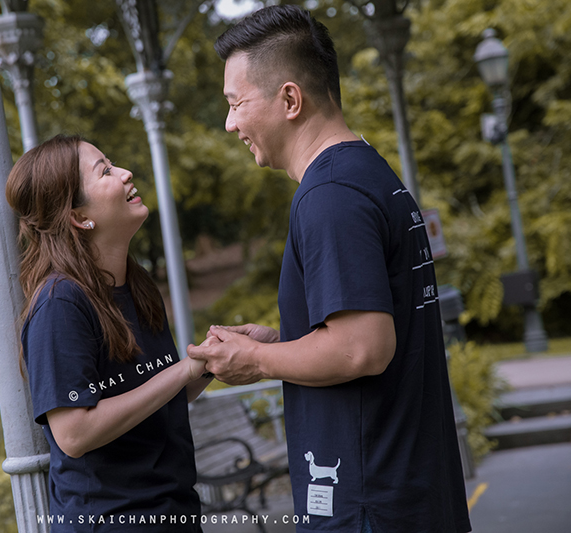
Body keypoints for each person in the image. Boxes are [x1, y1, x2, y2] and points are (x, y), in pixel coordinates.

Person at [187, 6, 471, 533]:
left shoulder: (330, 196)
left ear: (290, 99)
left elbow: (361, 347)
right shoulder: (366, 171)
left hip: (366, 502)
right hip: (407, 492)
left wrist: (255, 359)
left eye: (236, 103)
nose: (230, 123)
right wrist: (281, 340)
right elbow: (372, 328)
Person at [6, 134, 212, 531]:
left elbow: (162, 394)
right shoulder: (60, 303)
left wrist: (213, 359)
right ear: (79, 217)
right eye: (105, 171)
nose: (125, 173)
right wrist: (184, 370)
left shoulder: (137, 284)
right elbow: (74, 432)